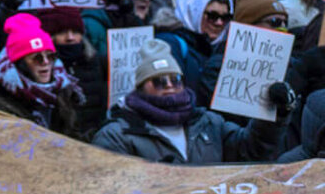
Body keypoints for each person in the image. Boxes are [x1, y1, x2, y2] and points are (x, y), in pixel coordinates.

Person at [92, 45, 284, 163]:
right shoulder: (117, 135)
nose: (169, 86)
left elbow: (250, 150)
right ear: (141, 87)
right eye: (159, 81)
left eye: (175, 79)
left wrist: (274, 113)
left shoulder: (209, 122)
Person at [0, 14, 90, 137]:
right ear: (19, 63)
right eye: (37, 58)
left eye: (51, 56)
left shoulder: (63, 89)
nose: (45, 62)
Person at [157, 0, 233, 105]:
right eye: (212, 16)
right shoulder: (169, 44)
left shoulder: (215, 50)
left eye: (225, 17)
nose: (219, 23)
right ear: (192, 12)